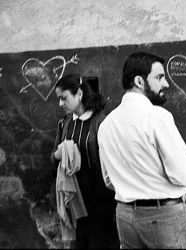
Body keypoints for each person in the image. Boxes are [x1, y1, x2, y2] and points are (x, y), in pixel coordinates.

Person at [97, 52, 186, 249]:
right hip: (164, 218)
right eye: (159, 77)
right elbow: (184, 176)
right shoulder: (157, 116)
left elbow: (109, 180)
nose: (166, 84)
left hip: (125, 217)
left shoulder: (107, 124)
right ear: (139, 81)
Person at [51, 74, 119, 249]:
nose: (60, 104)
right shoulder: (65, 124)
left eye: (63, 98)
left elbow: (111, 162)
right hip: (75, 200)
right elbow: (53, 158)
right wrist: (59, 154)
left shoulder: (101, 122)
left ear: (79, 94)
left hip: (101, 201)